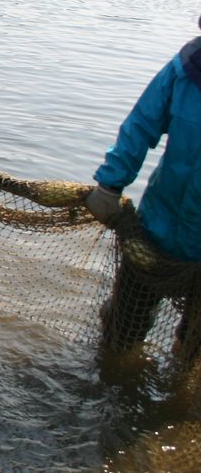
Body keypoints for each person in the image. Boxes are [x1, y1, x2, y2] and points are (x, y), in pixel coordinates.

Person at [85, 27, 201, 359]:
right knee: (124, 325)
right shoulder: (186, 67)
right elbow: (141, 124)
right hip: (157, 228)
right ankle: (116, 376)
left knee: (193, 346)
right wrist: (110, 185)